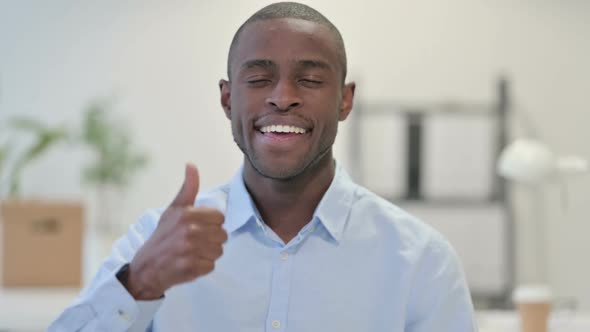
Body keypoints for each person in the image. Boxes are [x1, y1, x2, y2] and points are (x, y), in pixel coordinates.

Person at [50, 2, 477, 331]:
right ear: (227, 99)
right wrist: (138, 284)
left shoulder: (421, 260)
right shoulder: (155, 243)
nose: (282, 97)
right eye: (257, 79)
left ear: (345, 100)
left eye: (309, 80)